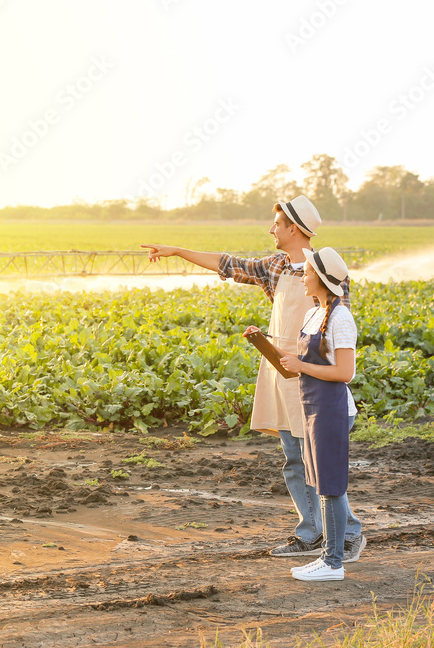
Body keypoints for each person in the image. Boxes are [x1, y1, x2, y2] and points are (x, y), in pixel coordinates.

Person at [141, 196, 365, 563]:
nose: (271, 229)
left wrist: (307, 367)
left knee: (318, 461)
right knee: (295, 459)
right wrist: (178, 251)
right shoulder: (274, 266)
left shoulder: (324, 270)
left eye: (276, 224)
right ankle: (310, 533)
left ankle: (349, 533)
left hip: (310, 378)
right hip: (281, 372)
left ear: (294, 228)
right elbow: (229, 264)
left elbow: (334, 329)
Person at [276, 247, 357, 581]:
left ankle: (333, 563)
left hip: (333, 410)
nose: (303, 276)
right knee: (320, 484)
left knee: (331, 486)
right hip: (313, 408)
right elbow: (302, 363)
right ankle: (328, 557)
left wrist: (300, 365)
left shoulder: (341, 318)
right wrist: (264, 345)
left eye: (307, 272)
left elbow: (345, 372)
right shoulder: (315, 313)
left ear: (322, 280)